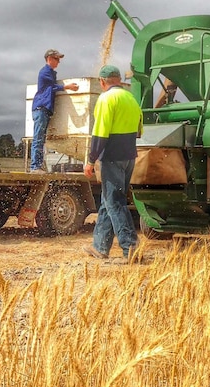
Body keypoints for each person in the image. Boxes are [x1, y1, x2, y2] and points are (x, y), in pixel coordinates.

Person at [83, 65, 143, 262]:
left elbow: (100, 133)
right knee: (108, 202)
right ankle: (100, 246)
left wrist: (91, 160)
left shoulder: (106, 99)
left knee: (114, 202)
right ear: (118, 79)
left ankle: (130, 246)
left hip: (112, 158)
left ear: (102, 82)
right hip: (129, 157)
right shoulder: (132, 99)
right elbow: (139, 130)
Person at [30, 49, 79, 173]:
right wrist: (66, 87)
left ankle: (38, 165)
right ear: (50, 58)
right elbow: (51, 87)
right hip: (41, 107)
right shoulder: (45, 72)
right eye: (57, 59)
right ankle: (35, 166)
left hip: (44, 108)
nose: (58, 62)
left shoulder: (51, 72)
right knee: (38, 138)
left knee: (41, 138)